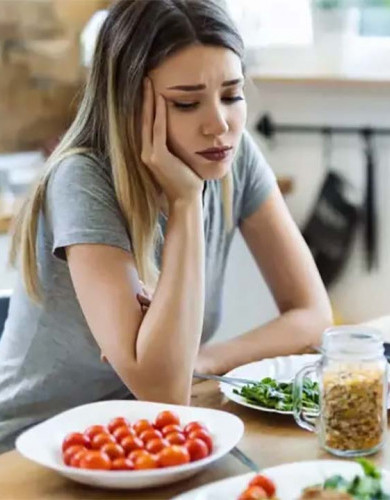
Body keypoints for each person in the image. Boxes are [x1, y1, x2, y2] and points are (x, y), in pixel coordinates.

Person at [0, 0, 332, 451]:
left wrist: (202, 359)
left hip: (144, 436)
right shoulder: (82, 180)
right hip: (33, 450)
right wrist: (187, 200)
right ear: (130, 104)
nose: (219, 125)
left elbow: (312, 315)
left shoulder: (234, 156)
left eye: (232, 95)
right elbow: (163, 392)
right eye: (187, 102)